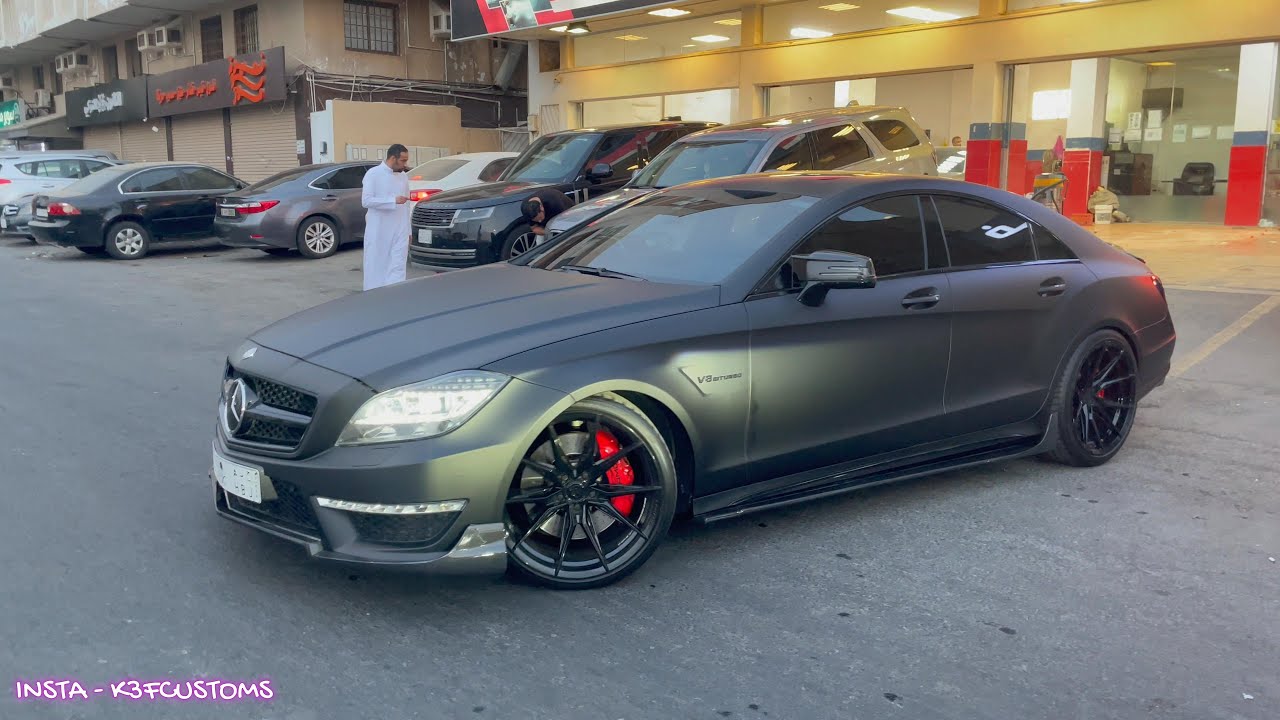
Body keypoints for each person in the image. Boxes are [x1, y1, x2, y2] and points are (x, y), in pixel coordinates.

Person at [361, 144, 411, 291]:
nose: (405, 164)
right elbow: (366, 201)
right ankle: (374, 298)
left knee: (398, 265)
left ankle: (395, 296)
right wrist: (392, 200)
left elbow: (407, 205)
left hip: (400, 229)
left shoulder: (403, 176)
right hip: (379, 230)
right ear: (393, 158)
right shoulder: (373, 174)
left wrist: (409, 231)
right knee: (376, 265)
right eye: (402, 160)